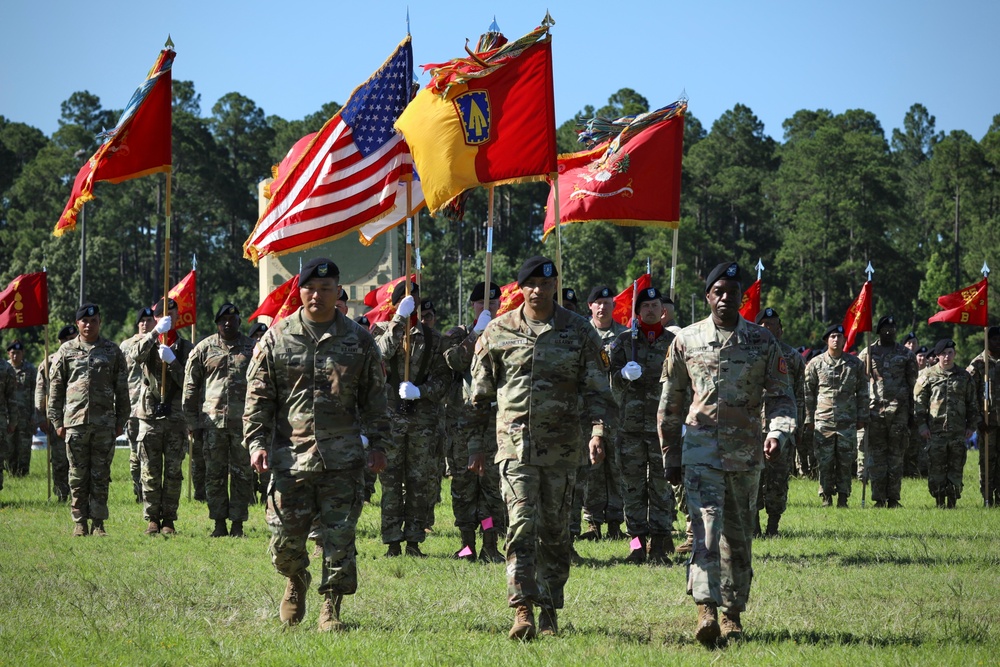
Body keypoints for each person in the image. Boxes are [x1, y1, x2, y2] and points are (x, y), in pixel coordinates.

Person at [468, 256, 614, 640]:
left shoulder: (579, 331)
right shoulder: (499, 331)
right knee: (520, 526)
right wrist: (475, 446)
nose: (538, 289)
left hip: (563, 449)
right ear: (521, 288)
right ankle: (522, 609)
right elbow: (479, 397)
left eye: (545, 283)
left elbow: (598, 388)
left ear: (555, 286)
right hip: (514, 449)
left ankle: (549, 609)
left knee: (555, 532)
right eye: (530, 283)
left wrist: (597, 431)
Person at [244, 257, 389, 631]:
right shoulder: (276, 338)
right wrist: (256, 443)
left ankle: (331, 607)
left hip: (342, 458)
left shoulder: (359, 340)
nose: (318, 295)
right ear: (300, 291)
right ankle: (296, 579)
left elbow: (375, 398)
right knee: (284, 542)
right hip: (289, 458)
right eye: (311, 288)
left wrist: (378, 444)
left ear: (338, 292)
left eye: (327, 289)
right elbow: (258, 398)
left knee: (338, 538)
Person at [658, 261, 795, 644]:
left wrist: (778, 433)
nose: (724, 298)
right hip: (700, 452)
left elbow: (783, 397)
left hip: (746, 454)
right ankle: (706, 608)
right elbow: (671, 401)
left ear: (742, 297)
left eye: (732, 292)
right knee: (705, 529)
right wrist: (670, 453)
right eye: (718, 291)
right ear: (707, 296)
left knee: (737, 534)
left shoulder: (761, 342)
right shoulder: (686, 340)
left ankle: (733, 613)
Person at [373, 282, 450, 557]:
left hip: (422, 421)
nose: (413, 305)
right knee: (391, 482)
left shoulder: (433, 338)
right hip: (391, 419)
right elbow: (379, 354)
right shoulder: (382, 330)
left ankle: (414, 541)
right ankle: (392, 541)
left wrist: (422, 391)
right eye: (407, 301)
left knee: (419, 483)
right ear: (396, 304)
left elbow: (444, 381)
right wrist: (399, 320)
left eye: (415, 300)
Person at [48, 304, 129, 536]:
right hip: (74, 423)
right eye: (84, 321)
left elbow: (122, 389)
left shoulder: (112, 351)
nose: (88, 325)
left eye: (93, 321)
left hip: (104, 424)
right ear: (77, 324)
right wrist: (56, 422)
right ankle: (80, 522)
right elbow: (55, 390)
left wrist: (121, 420)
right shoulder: (66, 351)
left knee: (101, 475)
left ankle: (99, 523)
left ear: (99, 323)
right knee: (77, 475)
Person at [608, 286, 676, 563]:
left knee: (662, 487)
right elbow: (608, 384)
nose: (650, 310)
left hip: (663, 427)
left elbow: (684, 383)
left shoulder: (674, 342)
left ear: (663, 311)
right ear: (637, 312)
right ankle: (637, 544)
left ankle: (659, 545)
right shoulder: (624, 342)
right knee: (632, 487)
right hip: (630, 427)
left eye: (655, 305)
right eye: (645, 306)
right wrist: (623, 375)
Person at [440, 281, 506, 562]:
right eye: (481, 303)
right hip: (461, 424)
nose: (487, 307)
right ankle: (467, 544)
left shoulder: (506, 335)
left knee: (491, 488)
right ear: (473, 306)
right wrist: (477, 332)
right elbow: (453, 361)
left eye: (492, 303)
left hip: (494, 423)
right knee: (463, 487)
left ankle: (490, 544)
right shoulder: (457, 334)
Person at [183, 303, 255, 537]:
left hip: (243, 424)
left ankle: (237, 524)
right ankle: (219, 523)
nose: (227, 323)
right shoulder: (204, 348)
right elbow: (190, 388)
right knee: (214, 475)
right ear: (216, 323)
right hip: (212, 424)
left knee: (242, 475)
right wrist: (192, 422)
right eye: (223, 319)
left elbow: (262, 384)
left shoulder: (253, 348)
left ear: (239, 322)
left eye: (232, 319)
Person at [130, 298, 194, 535]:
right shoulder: (147, 341)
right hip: (150, 415)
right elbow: (134, 357)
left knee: (174, 471)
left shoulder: (187, 348)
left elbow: (190, 383)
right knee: (150, 470)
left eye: (171, 313)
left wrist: (174, 363)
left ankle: (169, 519)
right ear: (156, 318)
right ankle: (152, 518)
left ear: (177, 317)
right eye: (160, 315)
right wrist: (154, 332)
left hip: (176, 416)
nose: (166, 317)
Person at [578, 285, 627, 543]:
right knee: (592, 467)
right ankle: (593, 522)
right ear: (590, 306)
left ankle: (616, 523)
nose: (602, 306)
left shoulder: (624, 334)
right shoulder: (582, 333)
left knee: (616, 467)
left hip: (618, 411)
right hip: (588, 412)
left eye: (606, 302)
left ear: (613, 305)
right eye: (597, 302)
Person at [804, 324, 868, 508]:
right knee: (825, 460)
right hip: (823, 421)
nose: (836, 340)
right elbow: (808, 393)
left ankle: (843, 496)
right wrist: (808, 418)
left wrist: (862, 416)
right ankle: (826, 496)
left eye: (840, 336)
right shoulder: (816, 363)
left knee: (845, 461)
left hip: (847, 421)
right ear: (826, 340)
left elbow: (863, 391)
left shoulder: (855, 364)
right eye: (833, 336)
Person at [754, 308, 805, 534]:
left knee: (778, 479)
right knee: (753, 479)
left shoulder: (792, 356)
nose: (767, 327)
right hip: (753, 427)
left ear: (780, 329)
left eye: (772, 323)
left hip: (782, 427)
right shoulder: (749, 354)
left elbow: (800, 395)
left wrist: (798, 425)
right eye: (763, 324)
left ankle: (773, 526)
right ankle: (753, 525)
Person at [858, 316, 918, 508]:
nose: (889, 331)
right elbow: (860, 383)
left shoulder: (906, 354)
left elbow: (913, 385)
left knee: (896, 457)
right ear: (878, 330)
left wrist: (912, 414)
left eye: (892, 328)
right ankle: (878, 498)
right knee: (876, 457)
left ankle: (893, 498)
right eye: (885, 328)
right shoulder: (867, 353)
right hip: (874, 412)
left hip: (899, 412)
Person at [915, 339, 979, 508]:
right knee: (936, 468)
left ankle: (952, 501)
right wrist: (922, 425)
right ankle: (939, 501)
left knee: (956, 468)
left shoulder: (964, 376)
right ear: (937, 356)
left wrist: (972, 426)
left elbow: (972, 403)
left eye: (950, 353)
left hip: (958, 432)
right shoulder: (928, 375)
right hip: (935, 431)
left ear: (954, 354)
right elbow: (919, 403)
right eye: (943, 353)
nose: (947, 357)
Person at [35, 324, 78, 502]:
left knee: (78, 459)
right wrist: (40, 417)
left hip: (77, 416)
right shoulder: (49, 362)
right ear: (60, 342)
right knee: (60, 460)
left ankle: (79, 495)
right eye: (66, 340)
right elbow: (40, 390)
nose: (70, 342)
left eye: (72, 338)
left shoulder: (84, 357)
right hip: (57, 418)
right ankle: (61, 494)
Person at [121, 307, 156, 503]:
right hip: (133, 406)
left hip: (153, 406)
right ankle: (139, 490)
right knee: (135, 451)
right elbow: (120, 376)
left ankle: (151, 490)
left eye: (148, 320)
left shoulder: (159, 342)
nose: (145, 323)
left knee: (151, 452)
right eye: (141, 321)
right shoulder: (126, 346)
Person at [966, 326, 1000, 506]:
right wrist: (978, 420)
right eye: (994, 339)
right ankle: (987, 496)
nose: (998, 342)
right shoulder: (979, 363)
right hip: (988, 423)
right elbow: (970, 395)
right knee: (988, 461)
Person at [6, 341, 36, 477]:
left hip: (25, 416)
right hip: (8, 416)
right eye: (13, 353)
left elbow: (36, 392)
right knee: (9, 446)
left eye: (18, 353)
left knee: (24, 447)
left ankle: (23, 473)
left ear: (22, 353)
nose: (15, 356)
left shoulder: (30, 370)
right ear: (8, 353)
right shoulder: (5, 369)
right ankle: (11, 472)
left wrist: (35, 416)